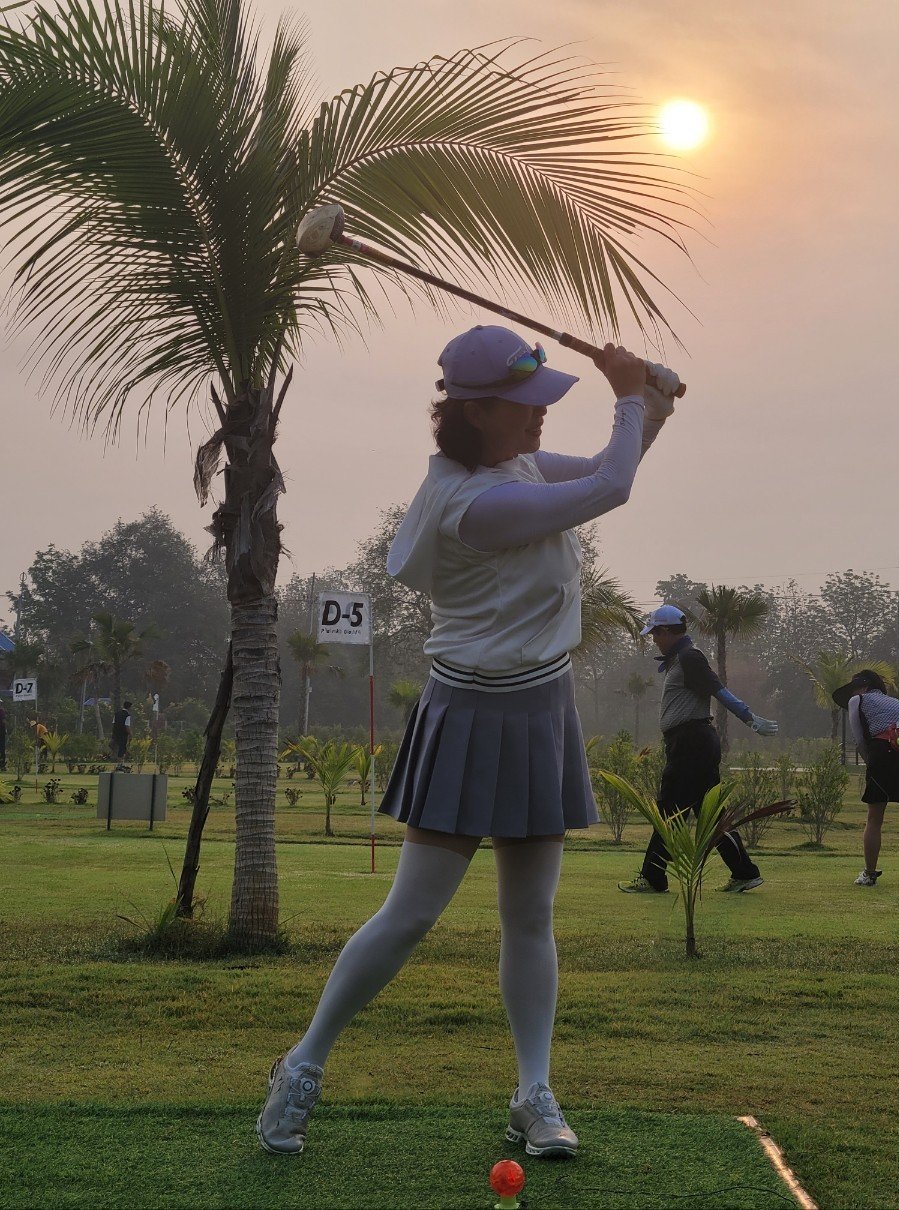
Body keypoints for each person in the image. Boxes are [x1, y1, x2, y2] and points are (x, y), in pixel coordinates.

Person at [257, 324, 680, 1159]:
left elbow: (604, 467)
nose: (539, 420)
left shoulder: (508, 467)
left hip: (538, 708)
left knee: (529, 915)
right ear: (476, 411)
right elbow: (610, 490)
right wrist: (628, 392)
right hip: (468, 711)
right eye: (525, 406)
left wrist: (648, 406)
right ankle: (301, 1066)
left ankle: (533, 1093)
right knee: (410, 913)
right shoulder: (477, 506)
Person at [618, 605, 778, 895]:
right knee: (710, 814)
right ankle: (744, 872)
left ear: (666, 631)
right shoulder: (681, 659)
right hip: (691, 742)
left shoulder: (690, 658)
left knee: (670, 811)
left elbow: (719, 691)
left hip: (691, 744)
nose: (654, 639)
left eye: (655, 633)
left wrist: (749, 718)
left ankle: (653, 877)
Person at [833, 669, 899, 886]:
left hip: (881, 753)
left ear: (863, 687)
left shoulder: (859, 699)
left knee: (875, 818)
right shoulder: (897, 703)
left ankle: (870, 874)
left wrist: (869, 760)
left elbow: (858, 736)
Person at [110, 701, 132, 767]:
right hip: (123, 734)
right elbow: (127, 726)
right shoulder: (127, 715)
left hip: (116, 733)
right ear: (129, 707)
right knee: (122, 748)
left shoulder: (116, 714)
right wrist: (130, 734)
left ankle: (119, 761)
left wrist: (113, 734)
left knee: (117, 747)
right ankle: (119, 765)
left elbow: (114, 723)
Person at [0, 701, 6, 772]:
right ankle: (2, 765)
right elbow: (3, 721)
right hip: (1, 732)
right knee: (2, 749)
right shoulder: (1, 711)